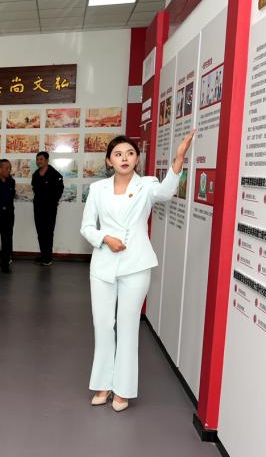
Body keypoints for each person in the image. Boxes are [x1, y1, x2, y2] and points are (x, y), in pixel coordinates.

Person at [81, 131, 193, 412]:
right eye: (118, 154)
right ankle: (103, 383)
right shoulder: (97, 189)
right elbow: (87, 227)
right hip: (104, 264)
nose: (124, 158)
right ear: (109, 161)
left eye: (130, 154)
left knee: (128, 325)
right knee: (103, 325)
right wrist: (105, 238)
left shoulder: (147, 185)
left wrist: (178, 159)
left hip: (136, 264)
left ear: (137, 159)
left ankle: (123, 389)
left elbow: (166, 192)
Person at [31, 151, 64, 265]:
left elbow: (60, 189)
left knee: (48, 232)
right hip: (38, 207)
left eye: (41, 159)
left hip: (50, 208)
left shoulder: (54, 174)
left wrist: (54, 201)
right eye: (37, 159)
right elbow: (34, 188)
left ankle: (48, 258)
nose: (39, 161)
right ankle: (43, 255)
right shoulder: (35, 174)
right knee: (40, 232)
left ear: (47, 160)